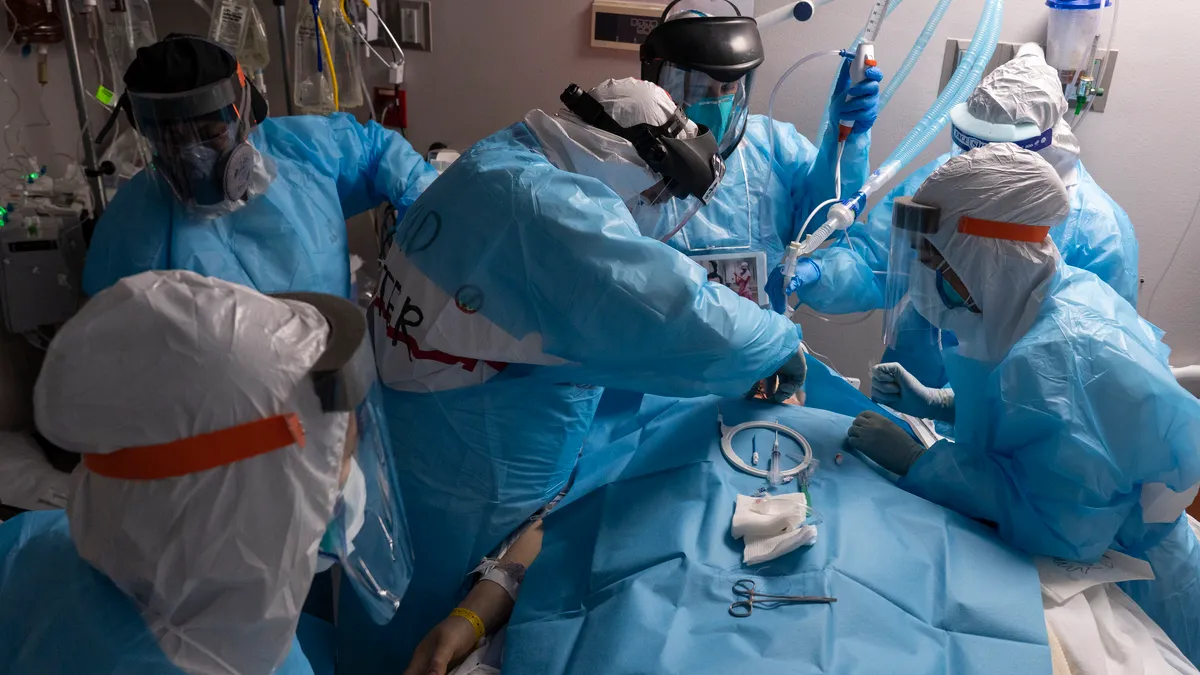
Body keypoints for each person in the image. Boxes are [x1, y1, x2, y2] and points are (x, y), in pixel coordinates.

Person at [335, 76, 809, 673]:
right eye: (660, 193)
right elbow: (680, 312)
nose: (658, 209)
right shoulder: (549, 212)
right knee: (420, 648)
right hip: (463, 500)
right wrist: (779, 343)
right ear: (632, 162)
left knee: (385, 617)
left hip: (415, 456)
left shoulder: (503, 157)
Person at [845, 143, 1200, 663]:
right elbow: (1036, 425)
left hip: (1132, 580)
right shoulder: (1046, 296)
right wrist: (939, 403)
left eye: (936, 263)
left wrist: (923, 462)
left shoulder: (1061, 352)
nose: (926, 281)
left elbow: (1060, 521)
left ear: (986, 258)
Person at [0, 270, 412, 674]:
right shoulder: (253, 662)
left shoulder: (29, 542)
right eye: (340, 460)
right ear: (244, 492)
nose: (350, 481)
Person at [798, 44, 1137, 387]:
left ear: (1041, 146)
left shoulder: (1096, 233)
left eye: (993, 153)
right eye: (973, 151)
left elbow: (1089, 361)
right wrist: (819, 272)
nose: (975, 165)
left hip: (1016, 409)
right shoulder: (949, 183)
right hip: (915, 378)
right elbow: (882, 260)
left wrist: (960, 406)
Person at [84, 34, 438, 299]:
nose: (194, 157)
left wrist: (429, 214)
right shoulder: (130, 235)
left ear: (245, 117)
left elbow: (378, 152)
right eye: (171, 141)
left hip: (339, 364)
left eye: (210, 135)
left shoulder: (299, 150)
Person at [639, 6, 882, 313]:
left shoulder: (771, 145)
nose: (717, 100)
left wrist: (845, 138)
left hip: (756, 346)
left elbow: (825, 218)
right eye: (699, 86)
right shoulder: (626, 153)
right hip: (660, 349)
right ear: (659, 84)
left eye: (727, 87)